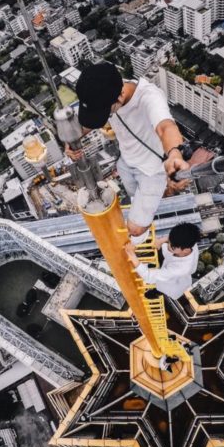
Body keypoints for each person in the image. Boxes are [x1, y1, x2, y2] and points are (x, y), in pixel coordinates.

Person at [67, 63, 191, 245]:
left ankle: (142, 239)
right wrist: (71, 140)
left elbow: (166, 127)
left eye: (105, 112)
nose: (104, 117)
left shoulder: (149, 97)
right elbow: (88, 124)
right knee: (134, 199)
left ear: (120, 96)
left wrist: (175, 154)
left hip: (152, 170)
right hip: (126, 163)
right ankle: (150, 204)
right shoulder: (105, 90)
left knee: (135, 228)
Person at [124, 223, 201, 300]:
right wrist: (161, 240)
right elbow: (174, 240)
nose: (168, 245)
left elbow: (148, 276)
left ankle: (156, 293)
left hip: (173, 283)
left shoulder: (180, 269)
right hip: (175, 269)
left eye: (173, 247)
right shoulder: (189, 241)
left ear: (185, 250)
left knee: (162, 287)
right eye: (169, 241)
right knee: (160, 262)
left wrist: (132, 255)